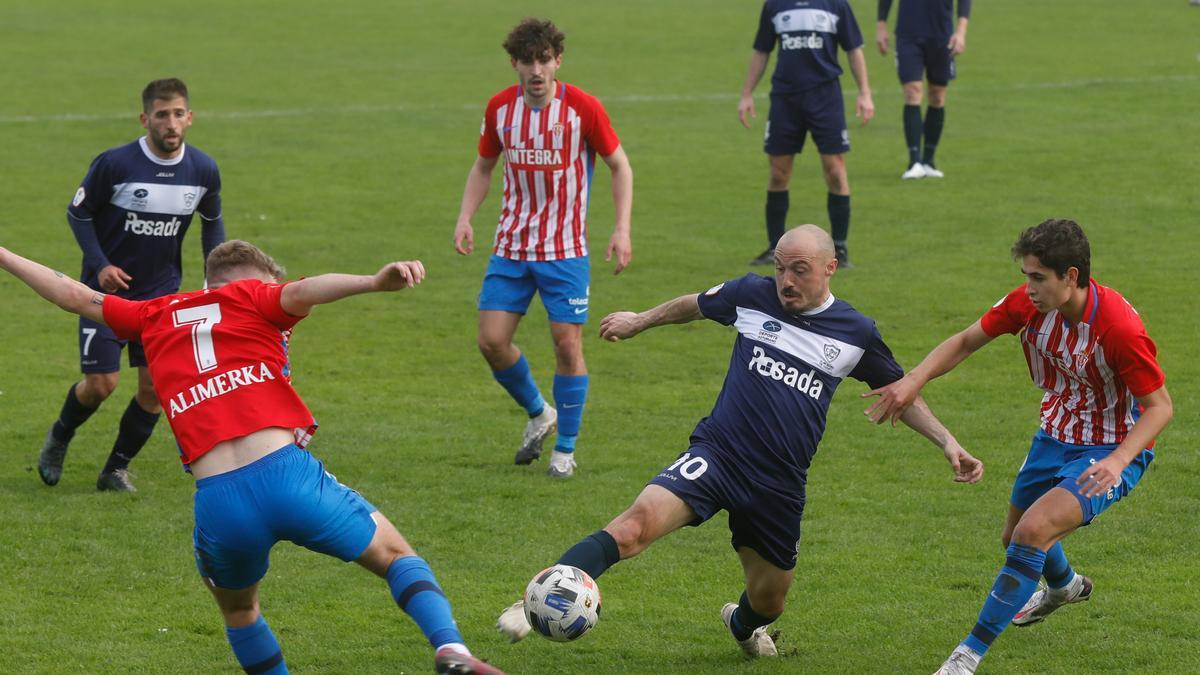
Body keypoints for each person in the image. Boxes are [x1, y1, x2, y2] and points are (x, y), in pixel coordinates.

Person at [0, 240, 504, 675]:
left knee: (240, 612)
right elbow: (304, 292)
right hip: (287, 477)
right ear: (254, 282)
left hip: (219, 501)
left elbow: (73, 294)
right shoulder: (255, 297)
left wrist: (3, 254)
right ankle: (450, 648)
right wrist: (374, 281)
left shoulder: (152, 313)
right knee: (397, 558)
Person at [495, 225, 982, 658]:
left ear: (830, 269)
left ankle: (742, 625)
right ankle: (536, 597)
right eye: (779, 268)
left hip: (779, 484)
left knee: (770, 601)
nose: (786, 281)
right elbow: (694, 305)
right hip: (718, 455)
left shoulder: (856, 333)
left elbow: (901, 393)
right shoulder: (752, 294)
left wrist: (948, 442)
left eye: (800, 270)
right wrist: (639, 319)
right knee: (633, 527)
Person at [862, 219, 1173, 674]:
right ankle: (1064, 587)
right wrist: (913, 380)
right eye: (1026, 275)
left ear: (1071, 276)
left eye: (1038, 278)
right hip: (1053, 433)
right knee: (1016, 538)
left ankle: (965, 658)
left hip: (1109, 449)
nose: (1028, 288)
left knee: (1031, 533)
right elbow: (967, 340)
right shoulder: (1028, 306)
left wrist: (1119, 459)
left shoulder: (1118, 329)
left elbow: (1160, 407)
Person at [453, 17, 633, 479]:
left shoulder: (583, 109)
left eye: (544, 60)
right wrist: (465, 217)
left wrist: (621, 229)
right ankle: (539, 412)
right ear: (514, 63)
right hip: (511, 246)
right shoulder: (500, 109)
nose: (536, 70)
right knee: (491, 341)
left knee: (566, 343)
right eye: (528, 61)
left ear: (558, 61)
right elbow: (483, 166)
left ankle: (565, 451)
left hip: (565, 250)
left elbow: (619, 166)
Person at [38, 78, 226, 492]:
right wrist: (101, 265)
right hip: (104, 297)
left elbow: (213, 228)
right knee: (101, 384)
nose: (171, 123)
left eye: (178, 114)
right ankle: (60, 436)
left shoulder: (202, 170)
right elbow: (79, 214)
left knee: (156, 390)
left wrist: (215, 282)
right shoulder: (116, 164)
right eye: (162, 115)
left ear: (190, 117)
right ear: (145, 119)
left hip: (161, 297)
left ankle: (114, 470)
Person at [738, 1, 874, 269]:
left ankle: (841, 248)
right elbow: (761, 51)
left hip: (825, 97)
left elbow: (854, 49)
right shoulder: (775, 5)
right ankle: (774, 246)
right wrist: (746, 93)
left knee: (835, 170)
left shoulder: (836, 5)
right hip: (785, 98)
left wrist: (865, 92)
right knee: (778, 172)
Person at [876, 0, 971, 180]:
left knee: (937, 96)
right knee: (912, 91)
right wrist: (881, 25)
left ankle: (928, 161)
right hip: (908, 34)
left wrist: (961, 31)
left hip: (942, 35)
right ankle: (914, 162)